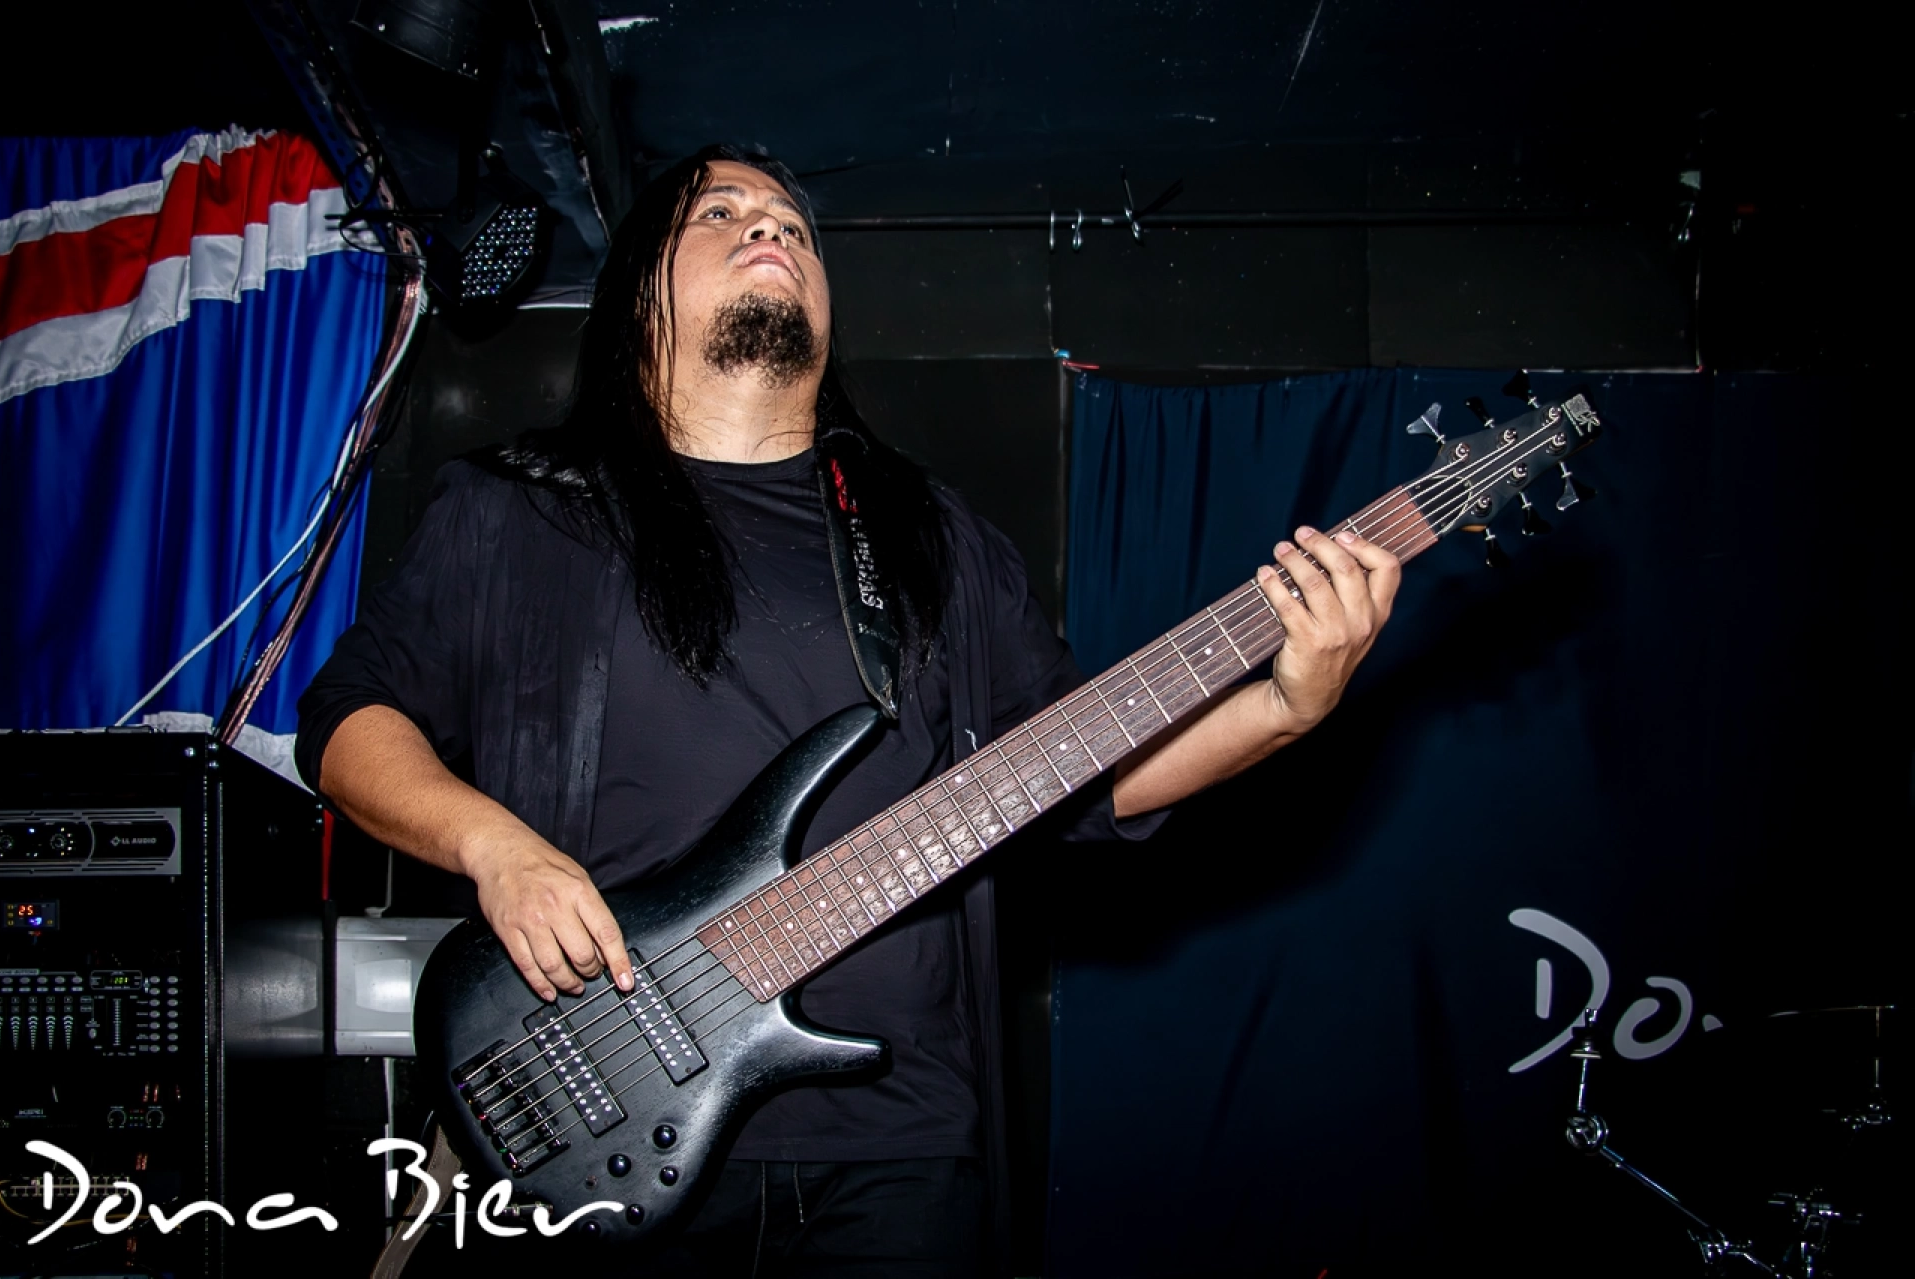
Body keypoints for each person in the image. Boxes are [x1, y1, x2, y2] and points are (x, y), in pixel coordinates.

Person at [296, 144, 1401, 1276]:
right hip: (599, 1110)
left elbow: (1085, 778)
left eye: (793, 223)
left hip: (899, 1146)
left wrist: (1284, 705)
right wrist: (496, 849)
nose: (771, 228)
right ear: (635, 290)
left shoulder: (932, 537)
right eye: (720, 211)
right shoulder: (524, 509)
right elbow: (344, 719)